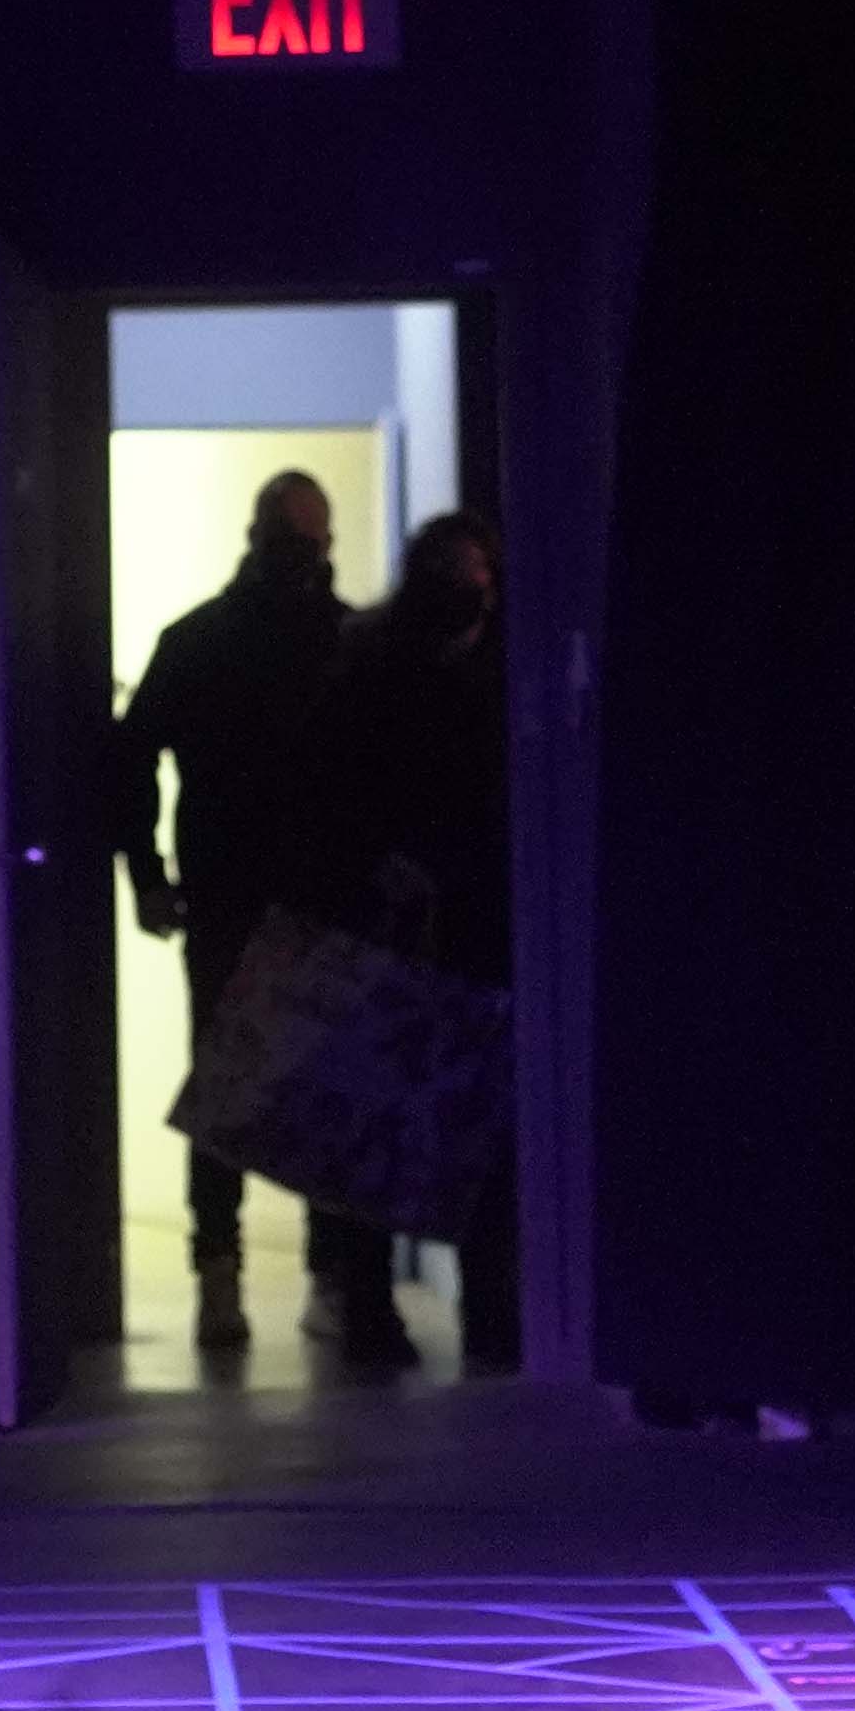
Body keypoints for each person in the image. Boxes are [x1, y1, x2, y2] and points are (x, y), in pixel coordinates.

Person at [108, 472, 373, 1350]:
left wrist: (148, 873)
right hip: (310, 895)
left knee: (233, 1083)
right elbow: (132, 760)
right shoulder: (344, 642)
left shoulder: (200, 640)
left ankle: (225, 1274)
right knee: (311, 1086)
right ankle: (319, 1277)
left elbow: (130, 757)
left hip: (241, 892)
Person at [292, 508, 519, 1368]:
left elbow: (322, 792)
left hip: (400, 920)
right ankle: (476, 1318)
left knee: (388, 1129)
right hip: (422, 922)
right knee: (444, 1130)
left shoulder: (372, 665)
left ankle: (390, 1314)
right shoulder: (467, 673)